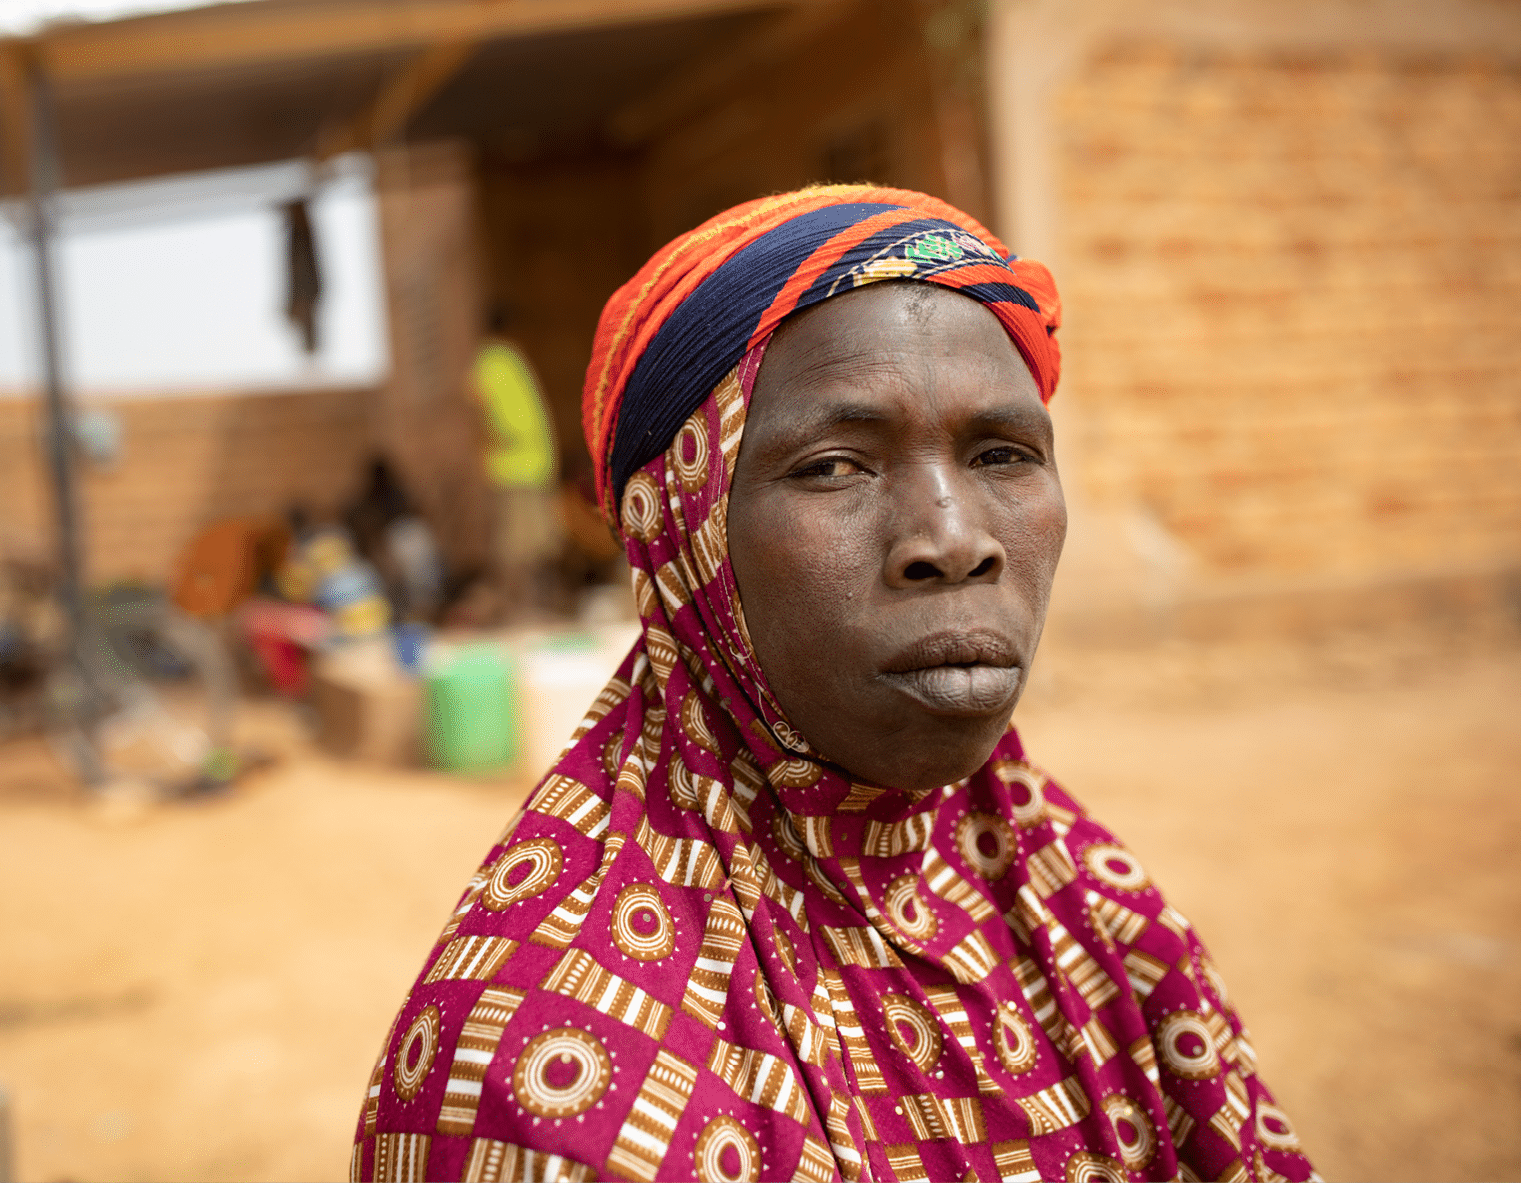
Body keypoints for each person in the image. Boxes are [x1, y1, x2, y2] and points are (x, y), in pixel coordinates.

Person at [353, 187, 1315, 1182]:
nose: (952, 539)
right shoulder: (534, 1072)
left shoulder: (1093, 910)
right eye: (834, 466)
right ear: (682, 531)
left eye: (1002, 454)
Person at [473, 328, 561, 620]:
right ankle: (516, 609)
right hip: (522, 469)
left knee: (525, 545)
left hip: (519, 468)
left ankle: (522, 608)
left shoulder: (494, 363)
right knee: (520, 547)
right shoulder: (505, 362)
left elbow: (484, 413)